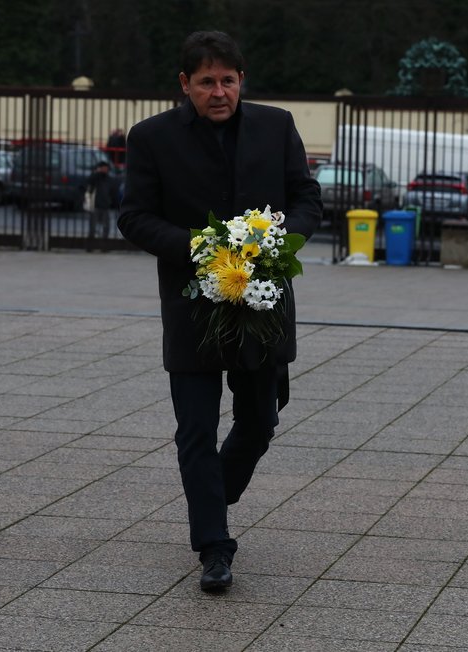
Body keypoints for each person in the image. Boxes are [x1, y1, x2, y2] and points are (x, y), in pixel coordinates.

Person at [117, 30, 322, 592]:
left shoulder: (276, 126)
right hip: (193, 309)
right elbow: (134, 217)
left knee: (260, 421)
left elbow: (306, 198)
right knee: (196, 432)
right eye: (206, 81)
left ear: (241, 82)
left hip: (261, 303)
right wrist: (200, 249)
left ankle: (213, 492)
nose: (218, 91)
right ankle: (214, 545)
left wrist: (279, 243)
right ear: (185, 85)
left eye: (227, 80)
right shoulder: (151, 138)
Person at [84, 160, 119, 245]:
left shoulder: (109, 179)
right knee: (92, 227)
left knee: (106, 226)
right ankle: (90, 245)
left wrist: (113, 203)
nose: (104, 170)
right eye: (102, 168)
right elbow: (88, 185)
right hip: (95, 205)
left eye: (106, 168)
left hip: (105, 205)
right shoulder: (94, 178)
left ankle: (104, 245)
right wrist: (97, 173)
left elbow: (113, 192)